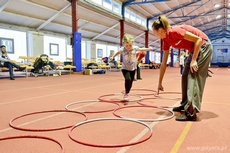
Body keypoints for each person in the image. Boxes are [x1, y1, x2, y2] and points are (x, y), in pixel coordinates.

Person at [152, 15, 213, 121]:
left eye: (155, 32)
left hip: (203, 46)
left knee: (192, 76)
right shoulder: (166, 40)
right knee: (184, 75)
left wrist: (194, 60)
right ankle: (185, 104)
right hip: (193, 50)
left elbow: (198, 40)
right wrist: (159, 82)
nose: (155, 35)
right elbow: (163, 63)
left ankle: (191, 112)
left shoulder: (175, 31)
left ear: (160, 30)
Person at [110, 35, 153, 101]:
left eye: (130, 45)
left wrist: (149, 49)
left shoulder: (135, 48)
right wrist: (113, 56)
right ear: (124, 44)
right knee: (128, 79)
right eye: (126, 45)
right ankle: (126, 94)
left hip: (133, 68)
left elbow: (141, 49)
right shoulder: (123, 49)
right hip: (125, 68)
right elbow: (118, 52)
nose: (128, 47)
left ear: (132, 44)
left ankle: (128, 92)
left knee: (131, 81)